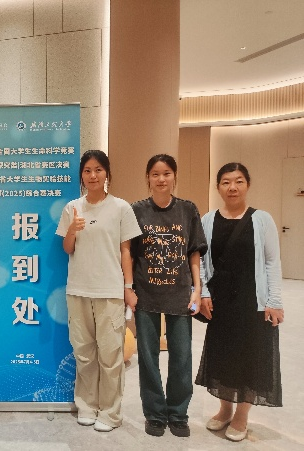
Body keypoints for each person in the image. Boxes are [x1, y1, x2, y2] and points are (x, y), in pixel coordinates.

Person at [196, 162, 283, 442]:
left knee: (250, 357)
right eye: (226, 182)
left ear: (247, 184)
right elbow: (201, 262)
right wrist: (204, 294)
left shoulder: (262, 219)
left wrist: (274, 301)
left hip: (252, 302)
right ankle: (225, 410)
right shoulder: (208, 219)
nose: (232, 187)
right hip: (220, 303)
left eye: (238, 181)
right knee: (223, 356)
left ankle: (242, 415)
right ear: (218, 187)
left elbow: (272, 262)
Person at [55, 149, 141, 432]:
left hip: (109, 291)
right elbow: (67, 248)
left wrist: (128, 287)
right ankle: (87, 406)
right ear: (81, 175)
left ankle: (111, 413)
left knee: (111, 355)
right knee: (84, 353)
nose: (93, 175)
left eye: (98, 170)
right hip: (78, 290)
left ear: (107, 174)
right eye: (87, 170)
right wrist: (72, 230)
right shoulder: (72, 208)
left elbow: (126, 251)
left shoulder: (120, 208)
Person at [130, 154, 207, 438]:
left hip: (179, 294)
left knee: (182, 356)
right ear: (148, 178)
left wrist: (197, 289)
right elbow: (129, 253)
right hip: (146, 293)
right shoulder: (137, 210)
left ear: (174, 176)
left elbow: (194, 252)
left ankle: (178, 413)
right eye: (155, 174)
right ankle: (154, 414)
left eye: (166, 173)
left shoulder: (187, 209)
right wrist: (129, 289)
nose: (161, 179)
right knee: (148, 357)